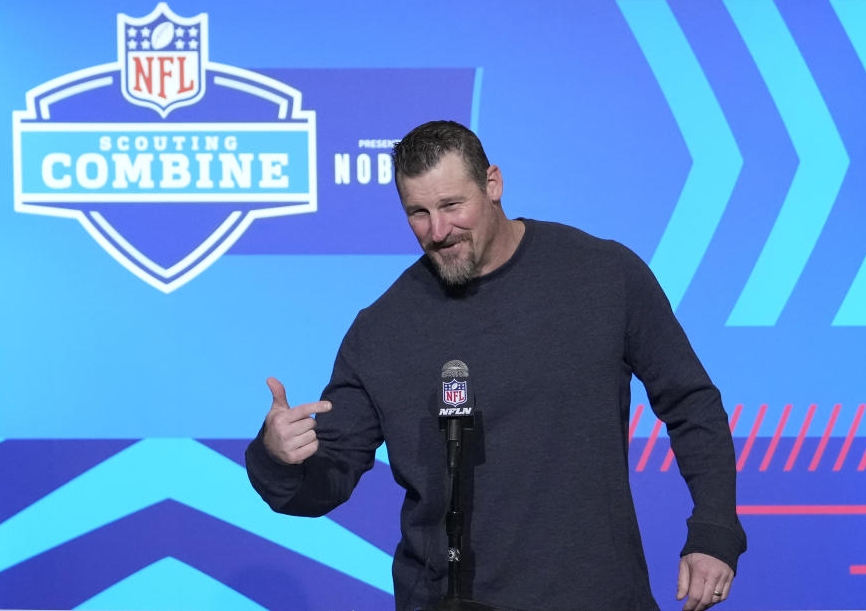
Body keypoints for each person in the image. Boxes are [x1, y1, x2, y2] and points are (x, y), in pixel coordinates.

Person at [246, 120, 746, 611]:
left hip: (599, 595)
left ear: (493, 184)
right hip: (447, 600)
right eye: (417, 213)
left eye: (451, 206)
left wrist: (716, 528)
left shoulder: (603, 275)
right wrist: (276, 457)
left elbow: (691, 402)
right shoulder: (382, 329)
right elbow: (324, 483)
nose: (437, 231)